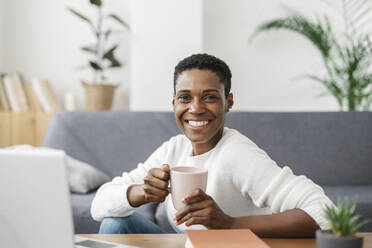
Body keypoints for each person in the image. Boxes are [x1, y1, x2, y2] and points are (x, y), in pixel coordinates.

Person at [91, 53, 333, 237]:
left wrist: (230, 224)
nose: (195, 108)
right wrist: (141, 192)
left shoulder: (236, 153)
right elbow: (99, 204)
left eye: (209, 97)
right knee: (116, 223)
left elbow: (325, 212)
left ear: (228, 103)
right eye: (185, 97)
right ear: (174, 102)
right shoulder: (174, 149)